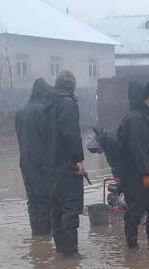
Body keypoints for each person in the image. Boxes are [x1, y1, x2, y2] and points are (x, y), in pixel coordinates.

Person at [44, 71, 87, 257]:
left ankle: (61, 249)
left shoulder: (45, 104)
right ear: (71, 87)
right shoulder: (67, 104)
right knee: (70, 208)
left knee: (56, 209)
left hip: (50, 165)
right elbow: (71, 133)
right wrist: (78, 159)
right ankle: (71, 255)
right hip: (66, 165)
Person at [117, 80, 149, 249]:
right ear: (143, 97)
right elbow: (137, 147)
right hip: (136, 174)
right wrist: (146, 173)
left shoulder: (144, 116)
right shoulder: (134, 118)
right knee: (135, 210)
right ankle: (132, 247)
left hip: (148, 170)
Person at [14, 78, 53, 236]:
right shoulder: (43, 111)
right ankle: (45, 236)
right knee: (45, 198)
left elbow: (19, 137)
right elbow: (49, 139)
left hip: (25, 161)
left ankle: (35, 234)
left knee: (33, 198)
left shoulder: (20, 112)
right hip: (41, 163)